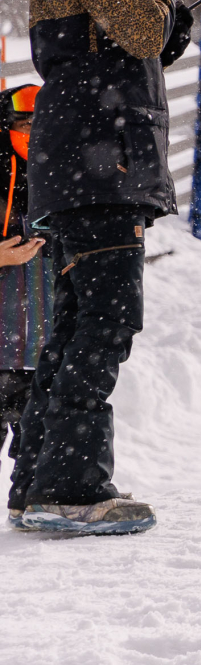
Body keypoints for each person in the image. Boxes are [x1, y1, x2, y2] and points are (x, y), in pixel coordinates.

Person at [8, 0, 189, 537]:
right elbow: (143, 31)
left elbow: (134, 41)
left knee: (76, 320)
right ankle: (71, 486)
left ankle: (36, 482)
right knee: (108, 317)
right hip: (100, 156)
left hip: (81, 154)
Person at [0, 81, 53, 468]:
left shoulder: (65, 185)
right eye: (25, 124)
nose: (33, 134)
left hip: (44, 357)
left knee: (41, 465)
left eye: (44, 125)